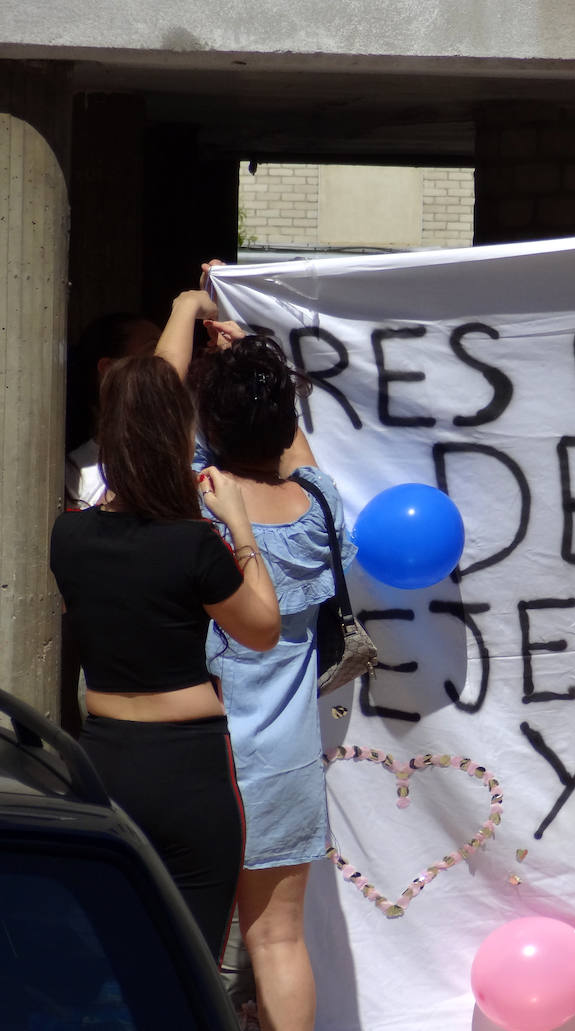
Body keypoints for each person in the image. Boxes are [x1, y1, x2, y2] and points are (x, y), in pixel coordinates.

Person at [48, 353, 281, 960]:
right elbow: (262, 630)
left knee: (110, 961)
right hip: (187, 766)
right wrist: (241, 530)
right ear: (178, 433)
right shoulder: (193, 542)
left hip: (100, 757)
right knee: (189, 963)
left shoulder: (67, 534)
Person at [164, 278, 352, 1031]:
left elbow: (159, 410)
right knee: (277, 940)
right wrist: (260, 370)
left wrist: (185, 314)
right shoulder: (323, 506)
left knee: (184, 943)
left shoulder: (200, 500)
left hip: (201, 758)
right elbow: (291, 449)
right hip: (285, 763)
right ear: (283, 417)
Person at [65, 312, 161, 508]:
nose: (166, 361)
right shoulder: (73, 472)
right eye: (153, 349)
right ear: (108, 369)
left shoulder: (187, 448)